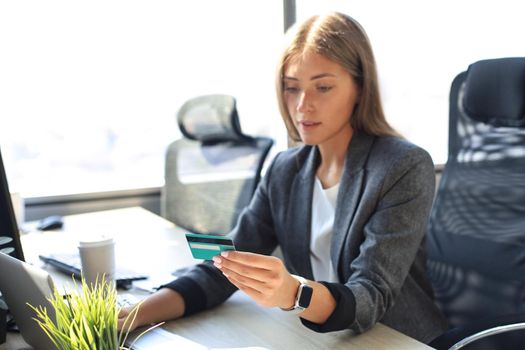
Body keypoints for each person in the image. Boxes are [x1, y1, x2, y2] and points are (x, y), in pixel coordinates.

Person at [119, 11, 447, 343]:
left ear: (360, 88)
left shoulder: (402, 166)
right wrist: (134, 314)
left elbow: (370, 296)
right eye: (292, 88)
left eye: (323, 87)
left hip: (396, 339)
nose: (303, 105)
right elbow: (225, 265)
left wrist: (295, 293)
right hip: (324, 338)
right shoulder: (285, 169)